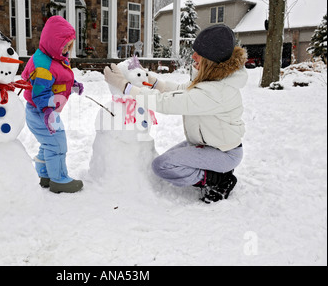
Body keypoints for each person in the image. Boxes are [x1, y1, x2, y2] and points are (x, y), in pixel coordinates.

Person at [103, 24, 247, 203]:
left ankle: (220, 179)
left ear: (211, 60)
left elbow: (167, 103)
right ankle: (214, 169)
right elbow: (181, 90)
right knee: (168, 162)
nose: (193, 56)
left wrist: (125, 87)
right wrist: (152, 81)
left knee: (163, 166)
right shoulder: (213, 80)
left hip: (223, 153)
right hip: (206, 143)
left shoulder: (217, 92)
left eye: (199, 54)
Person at [22, 16, 84, 193]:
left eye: (69, 47)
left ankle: (45, 174)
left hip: (41, 111)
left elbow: (59, 78)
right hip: (42, 112)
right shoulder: (43, 65)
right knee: (57, 144)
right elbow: (41, 92)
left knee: (48, 143)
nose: (66, 50)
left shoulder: (53, 56)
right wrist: (48, 113)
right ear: (52, 43)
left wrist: (73, 85)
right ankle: (59, 180)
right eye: (63, 46)